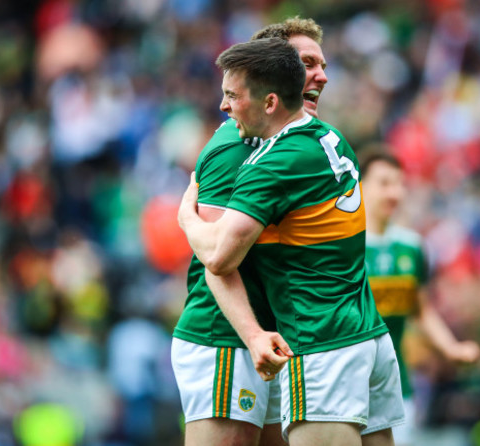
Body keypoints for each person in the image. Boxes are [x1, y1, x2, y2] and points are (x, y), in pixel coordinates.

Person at [179, 37, 404, 446]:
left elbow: (217, 255)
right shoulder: (328, 137)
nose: (224, 107)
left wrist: (185, 218)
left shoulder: (275, 160)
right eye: (306, 64)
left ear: (270, 99)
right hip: (348, 333)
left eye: (232, 95)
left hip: (318, 339)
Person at [171, 18, 328, 446]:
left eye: (321, 64)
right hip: (226, 339)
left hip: (269, 341)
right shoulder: (234, 147)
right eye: (307, 62)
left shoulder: (289, 144)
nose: (320, 75)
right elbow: (216, 258)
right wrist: (253, 335)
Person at [360, 152, 480, 446]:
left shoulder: (412, 247)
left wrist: (451, 348)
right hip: (346, 382)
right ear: (359, 185)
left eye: (400, 184)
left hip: (396, 385)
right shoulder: (341, 247)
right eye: (384, 183)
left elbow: (421, 310)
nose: (395, 192)